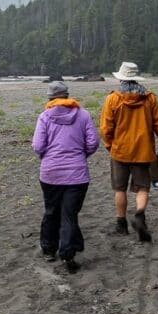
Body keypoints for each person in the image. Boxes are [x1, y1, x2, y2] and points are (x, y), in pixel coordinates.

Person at [31, 81, 99, 273]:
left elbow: (38, 146)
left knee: (51, 211)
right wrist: (80, 155)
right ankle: (68, 253)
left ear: (50, 98)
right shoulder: (83, 115)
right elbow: (93, 143)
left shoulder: (44, 117)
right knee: (69, 215)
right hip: (77, 175)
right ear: (67, 96)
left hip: (50, 173)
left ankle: (48, 250)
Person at [100, 61, 158, 242]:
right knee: (142, 188)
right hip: (143, 151)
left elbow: (106, 128)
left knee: (120, 189)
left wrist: (110, 145)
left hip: (120, 151)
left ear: (122, 79)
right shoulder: (149, 99)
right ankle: (139, 216)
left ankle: (121, 224)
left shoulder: (113, 99)